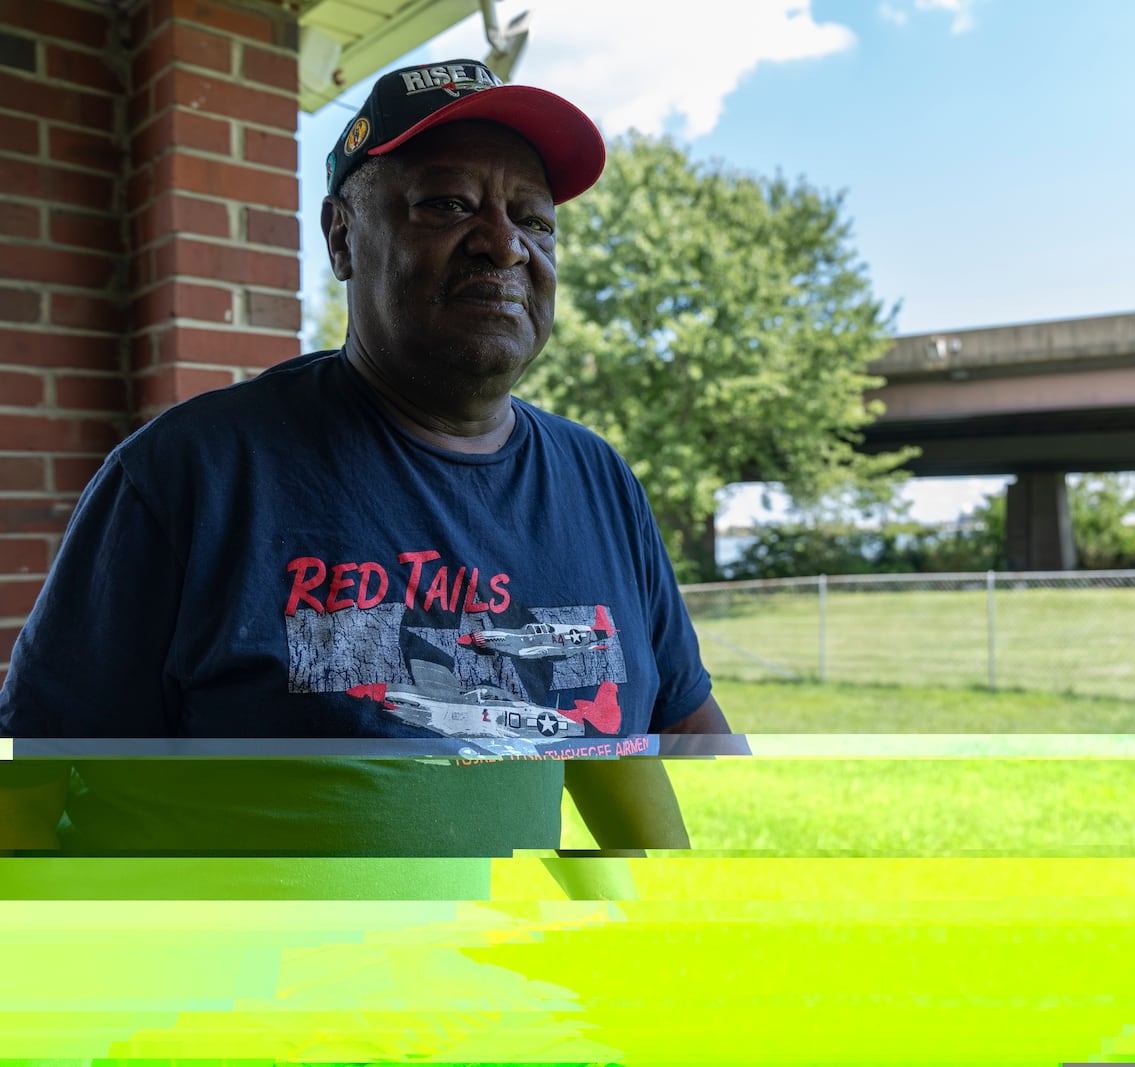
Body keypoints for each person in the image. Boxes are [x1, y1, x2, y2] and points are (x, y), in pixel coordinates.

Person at [0, 60, 732, 887]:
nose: (504, 242)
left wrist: (663, 944)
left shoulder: (598, 483)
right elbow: (24, 784)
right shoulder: (191, 474)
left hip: (499, 995)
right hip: (232, 1003)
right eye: (448, 205)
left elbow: (629, 737)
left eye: (535, 219)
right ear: (343, 236)